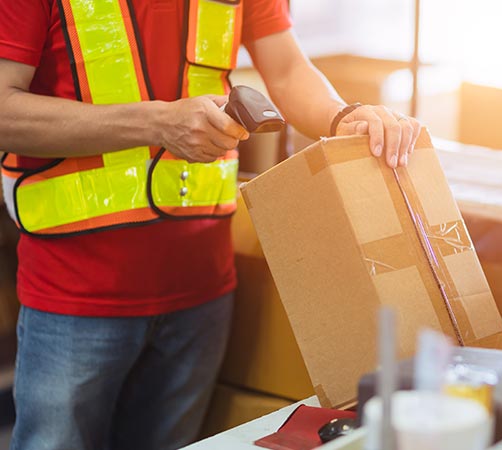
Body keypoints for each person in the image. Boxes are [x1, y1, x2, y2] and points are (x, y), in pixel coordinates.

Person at [0, 1, 421, 449]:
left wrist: (341, 117)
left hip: (201, 290)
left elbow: (286, 69)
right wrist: (156, 121)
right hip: (74, 295)